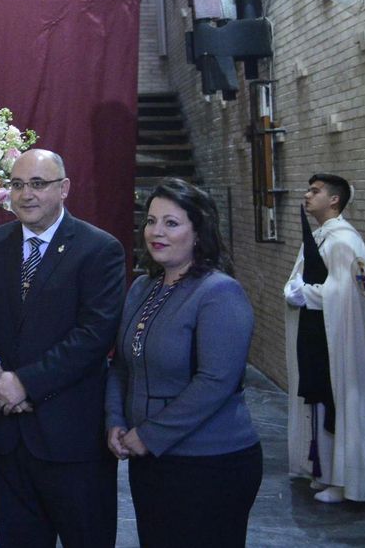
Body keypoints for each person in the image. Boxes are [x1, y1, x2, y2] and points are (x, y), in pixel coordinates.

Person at [0, 148, 126, 547]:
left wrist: (24, 383)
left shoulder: (98, 248)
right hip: (7, 435)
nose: (26, 195)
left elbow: (94, 335)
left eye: (38, 184)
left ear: (64, 188)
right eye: (17, 185)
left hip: (71, 437)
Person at [106, 179, 260, 548]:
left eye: (171, 223)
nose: (156, 232)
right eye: (151, 221)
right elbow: (122, 364)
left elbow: (216, 382)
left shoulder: (219, 292)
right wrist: (114, 420)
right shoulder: (142, 288)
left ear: (198, 232)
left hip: (210, 463)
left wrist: (149, 435)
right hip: (151, 461)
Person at [283, 172, 365, 505]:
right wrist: (293, 289)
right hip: (317, 332)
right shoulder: (320, 236)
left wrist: (306, 294)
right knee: (318, 398)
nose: (307, 195)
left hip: (337, 334)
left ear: (334, 200)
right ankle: (324, 471)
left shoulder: (344, 240)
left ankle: (345, 481)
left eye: (315, 191)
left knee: (337, 401)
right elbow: (304, 277)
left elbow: (347, 292)